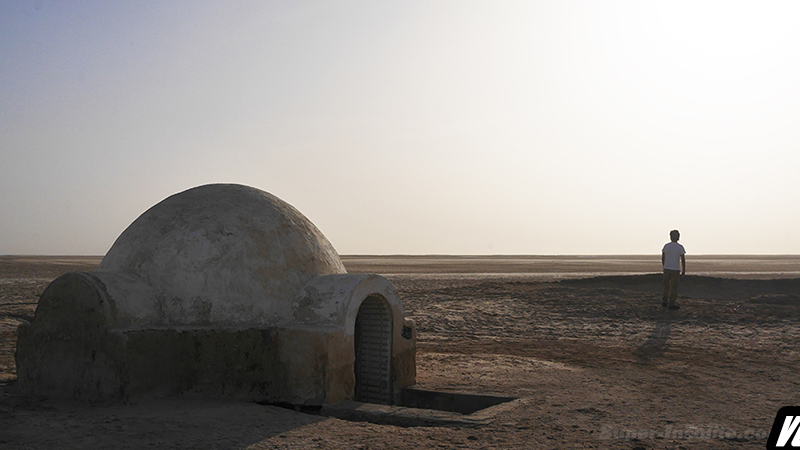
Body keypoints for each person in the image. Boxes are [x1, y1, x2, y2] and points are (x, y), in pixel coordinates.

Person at [661, 229, 686, 310]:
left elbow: (663, 257)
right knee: (674, 287)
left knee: (666, 285)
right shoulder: (680, 247)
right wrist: (683, 270)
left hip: (667, 268)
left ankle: (664, 301)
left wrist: (664, 266)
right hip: (675, 269)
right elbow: (682, 260)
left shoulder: (666, 246)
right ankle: (671, 303)